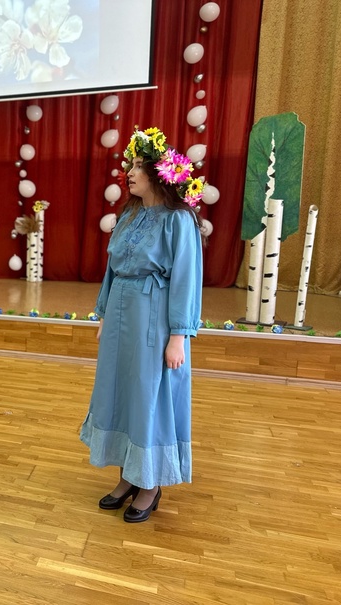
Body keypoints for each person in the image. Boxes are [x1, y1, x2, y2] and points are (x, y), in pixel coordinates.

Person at [80, 127, 204, 523]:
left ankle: (150, 483)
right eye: (130, 165)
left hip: (154, 318)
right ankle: (127, 475)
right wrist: (104, 314)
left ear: (158, 173)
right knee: (120, 392)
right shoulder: (129, 215)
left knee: (148, 395)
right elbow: (112, 269)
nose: (129, 173)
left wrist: (179, 336)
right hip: (121, 314)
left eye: (137, 166)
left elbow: (186, 278)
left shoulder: (179, 220)